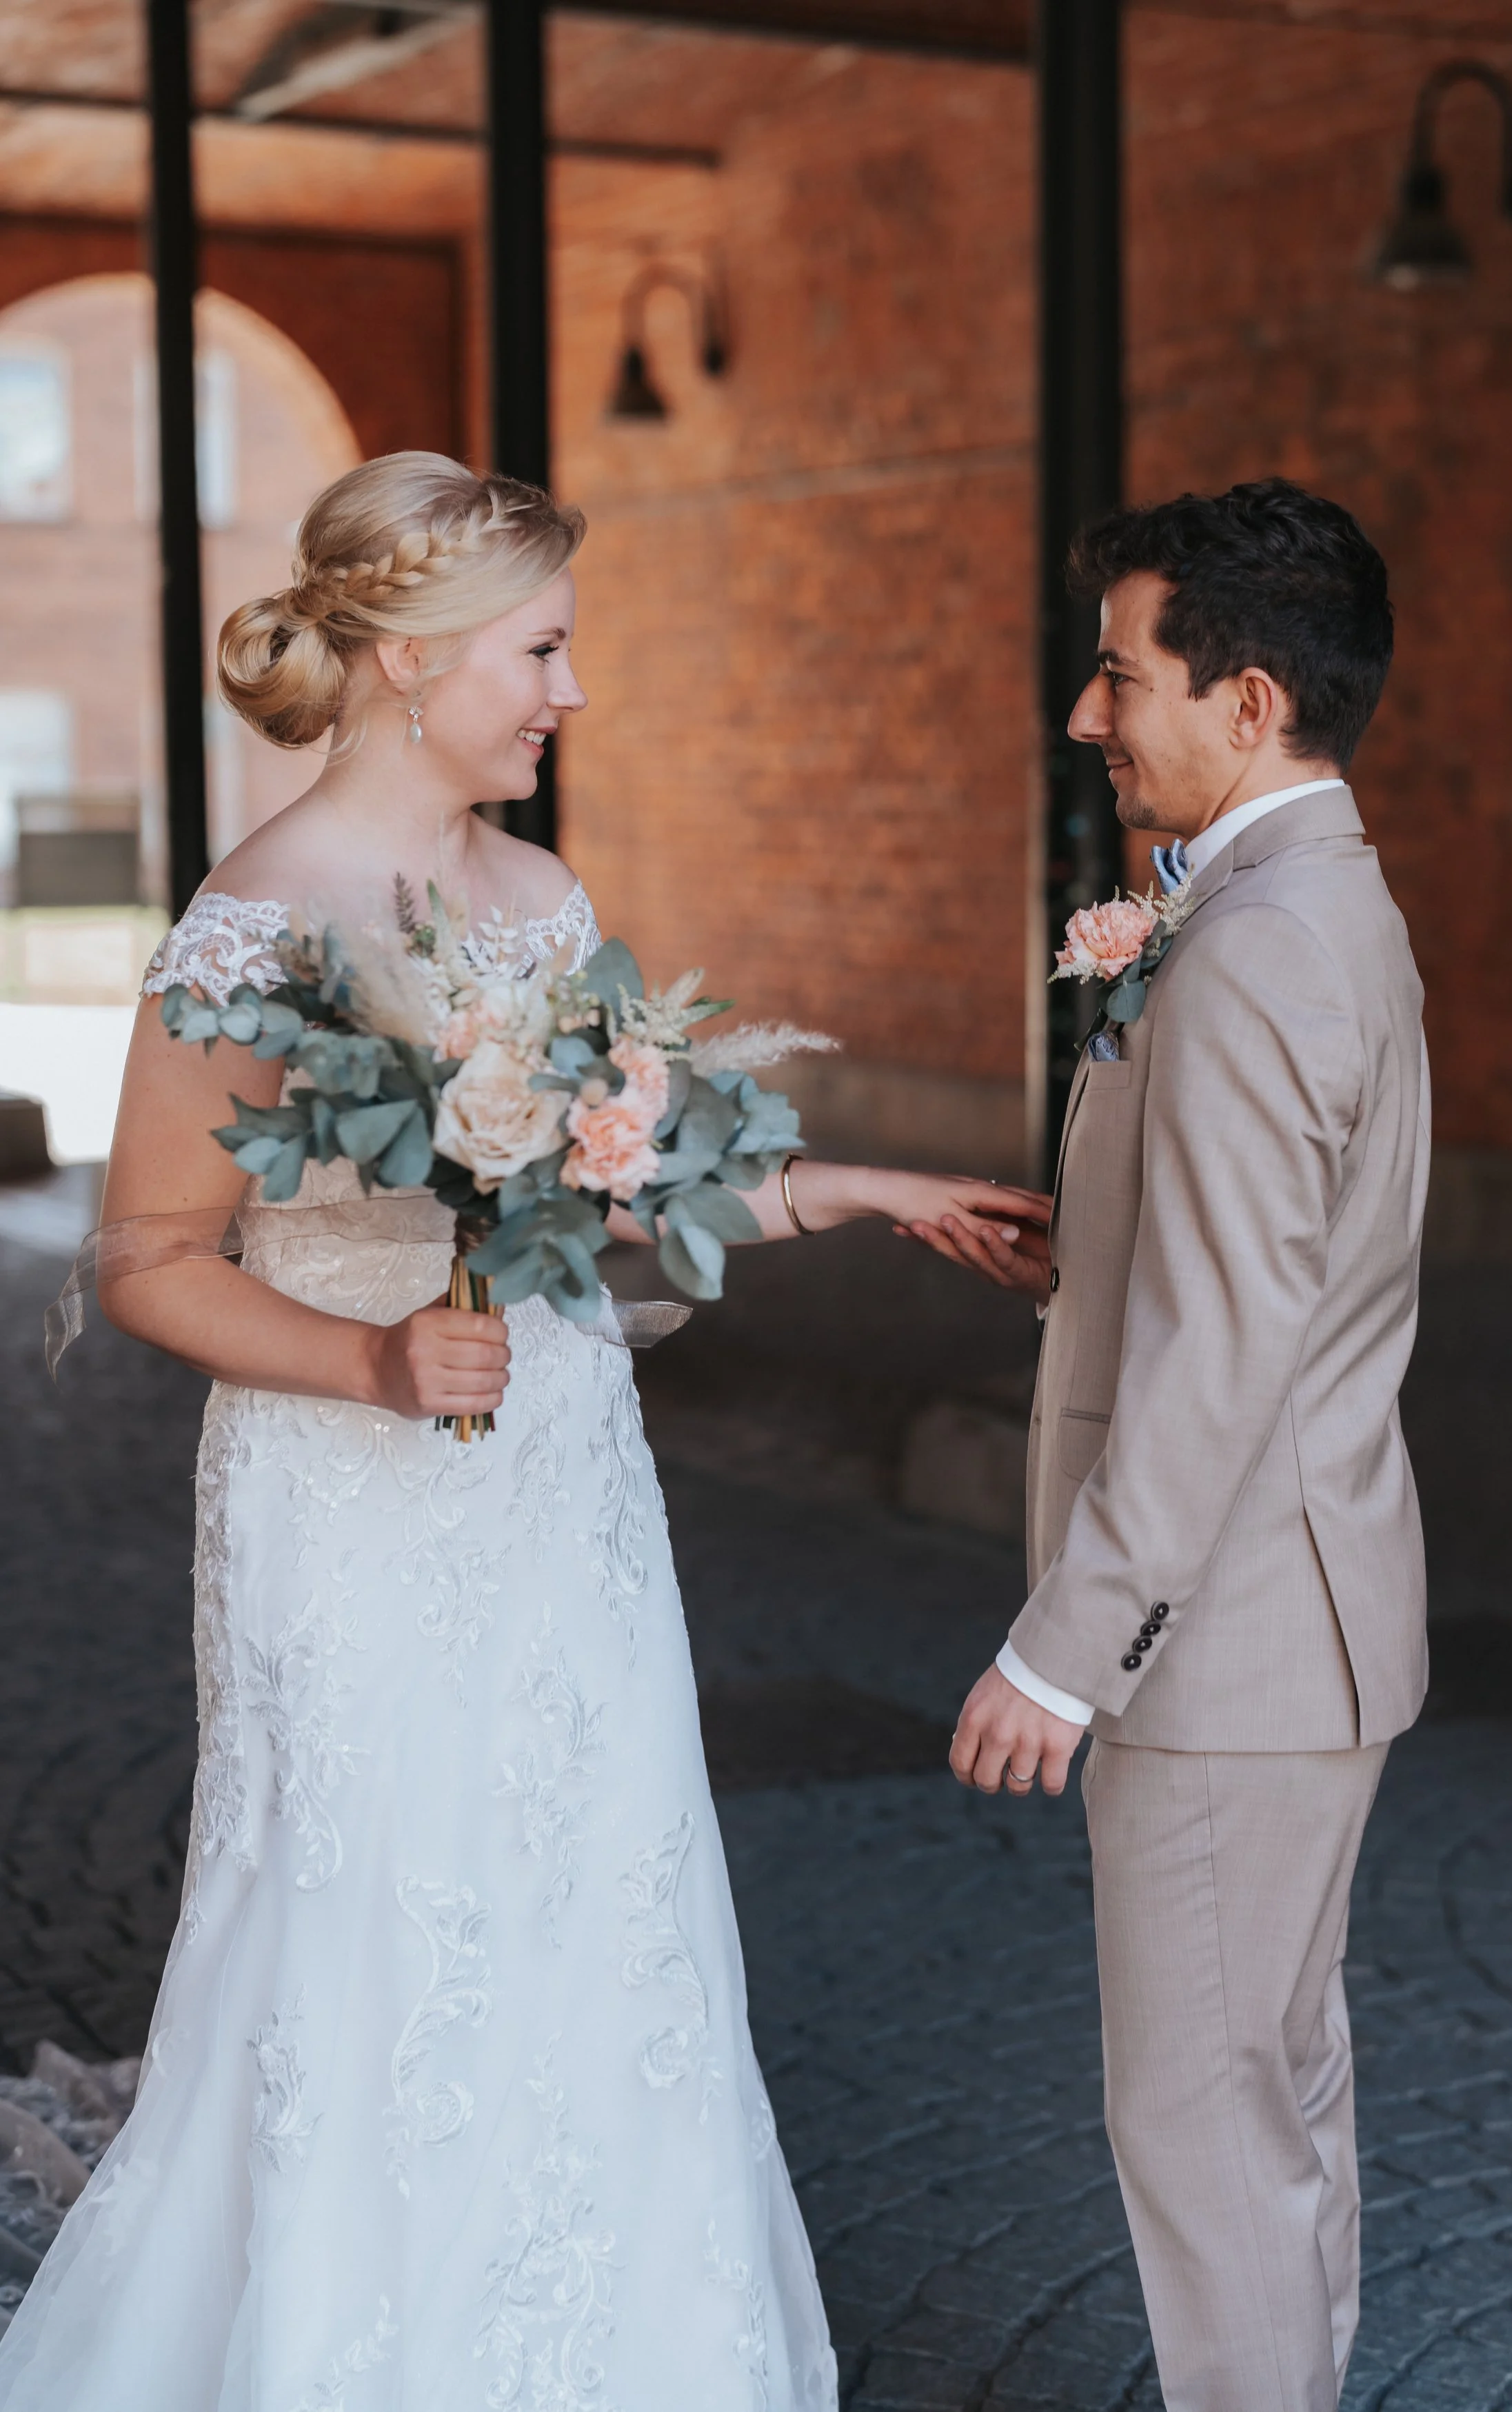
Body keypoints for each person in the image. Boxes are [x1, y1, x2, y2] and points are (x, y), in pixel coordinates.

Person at [0, 451, 1047, 2412]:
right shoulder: (257, 921)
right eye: (544, 648)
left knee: (605, 1900)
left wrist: (867, 1189)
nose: (570, 692)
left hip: (563, 1484)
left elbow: (610, 1177)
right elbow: (148, 1255)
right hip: (355, 1498)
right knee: (385, 1934)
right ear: (410, 662)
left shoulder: (540, 899)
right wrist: (374, 1364)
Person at [929, 479, 1429, 2412]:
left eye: (1115, 674)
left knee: (1202, 2120)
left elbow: (1228, 1344)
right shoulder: (1314, 902)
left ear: (1244, 700)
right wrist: (1097, 1253)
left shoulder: (1250, 947)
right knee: (1270, 2090)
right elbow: (1267, 1267)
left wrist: (1064, 1646)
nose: (1083, 714)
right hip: (1303, 1612)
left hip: (1221, 1641)